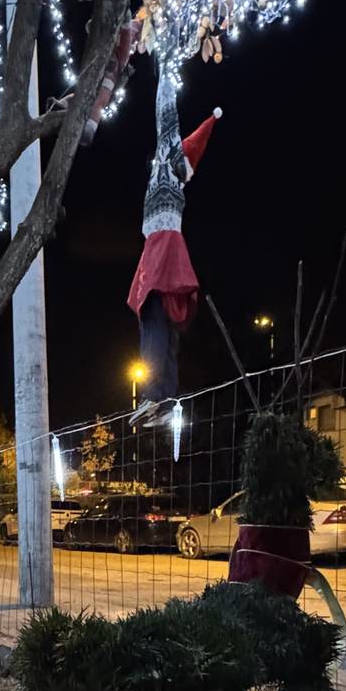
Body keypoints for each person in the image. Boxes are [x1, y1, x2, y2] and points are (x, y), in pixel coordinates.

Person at [127, 71, 221, 429]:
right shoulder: (178, 181)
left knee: (152, 322)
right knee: (163, 327)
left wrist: (165, 72)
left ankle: (154, 393)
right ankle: (165, 397)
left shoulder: (167, 166)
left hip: (161, 252)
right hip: (168, 250)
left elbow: (166, 120)